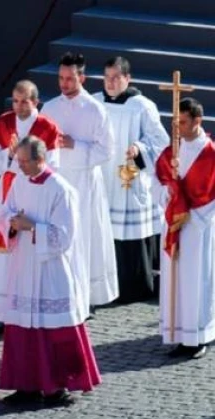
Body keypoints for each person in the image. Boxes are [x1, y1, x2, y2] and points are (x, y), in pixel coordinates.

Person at [0, 136, 101, 406]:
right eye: (17, 161)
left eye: (24, 161)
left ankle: (57, 386)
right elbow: (4, 213)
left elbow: (64, 238)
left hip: (49, 268)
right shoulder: (20, 181)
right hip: (24, 265)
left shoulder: (61, 190)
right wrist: (12, 223)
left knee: (53, 328)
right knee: (22, 327)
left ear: (40, 159)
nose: (19, 167)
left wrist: (32, 227)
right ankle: (26, 385)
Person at [0, 80, 61, 328]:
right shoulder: (4, 122)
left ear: (35, 102)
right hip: (7, 192)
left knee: (25, 252)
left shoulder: (47, 127)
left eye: (24, 101)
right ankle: (3, 311)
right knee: (4, 251)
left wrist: (23, 165)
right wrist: (10, 156)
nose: (19, 106)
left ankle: (26, 308)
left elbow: (53, 164)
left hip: (34, 194)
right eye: (15, 100)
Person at [41, 52, 119, 311]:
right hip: (57, 180)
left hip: (84, 182)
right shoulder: (49, 108)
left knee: (84, 236)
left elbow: (107, 150)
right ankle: (56, 291)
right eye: (61, 78)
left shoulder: (96, 109)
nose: (64, 84)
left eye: (70, 79)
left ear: (82, 77)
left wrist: (75, 145)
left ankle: (85, 297)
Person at [93, 57, 169, 302]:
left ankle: (134, 287)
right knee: (104, 231)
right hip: (102, 178)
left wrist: (139, 148)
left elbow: (160, 141)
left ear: (128, 78)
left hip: (129, 178)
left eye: (116, 77)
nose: (111, 83)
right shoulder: (94, 102)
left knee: (130, 235)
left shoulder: (142, 106)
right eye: (107, 77)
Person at [152, 98, 215, 360]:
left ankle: (198, 337)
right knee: (175, 281)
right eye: (174, 122)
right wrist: (168, 193)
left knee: (196, 281)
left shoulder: (210, 153)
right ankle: (178, 334)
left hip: (199, 228)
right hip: (175, 227)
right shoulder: (171, 151)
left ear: (197, 121)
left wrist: (195, 217)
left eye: (183, 122)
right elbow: (156, 182)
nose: (177, 127)